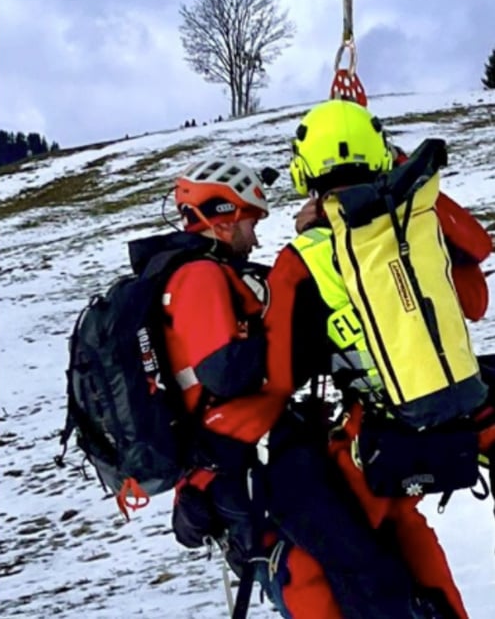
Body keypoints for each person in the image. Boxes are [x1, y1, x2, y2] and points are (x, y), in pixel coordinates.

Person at [164, 158, 428, 618]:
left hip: (249, 456)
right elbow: (227, 372)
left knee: (347, 567)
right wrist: (286, 337)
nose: (255, 233)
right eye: (249, 220)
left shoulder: (217, 275)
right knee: (363, 567)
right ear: (222, 219)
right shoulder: (199, 276)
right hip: (248, 457)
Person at [263, 97, 475, 618]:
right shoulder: (418, 229)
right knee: (404, 523)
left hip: (373, 438)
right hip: (451, 412)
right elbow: (475, 300)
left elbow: (280, 372)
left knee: (310, 547)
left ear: (304, 171)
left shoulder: (302, 258)